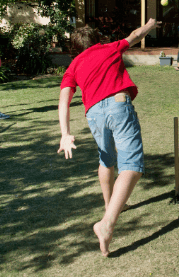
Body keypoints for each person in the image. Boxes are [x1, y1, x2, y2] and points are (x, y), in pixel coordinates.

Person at [58, 18, 161, 257]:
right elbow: (135, 35)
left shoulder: (73, 66)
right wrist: (150, 24)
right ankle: (106, 224)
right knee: (132, 167)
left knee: (106, 160)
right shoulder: (108, 48)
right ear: (96, 40)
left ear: (76, 48)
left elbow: (64, 99)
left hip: (94, 113)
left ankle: (110, 205)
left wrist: (65, 134)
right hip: (117, 104)